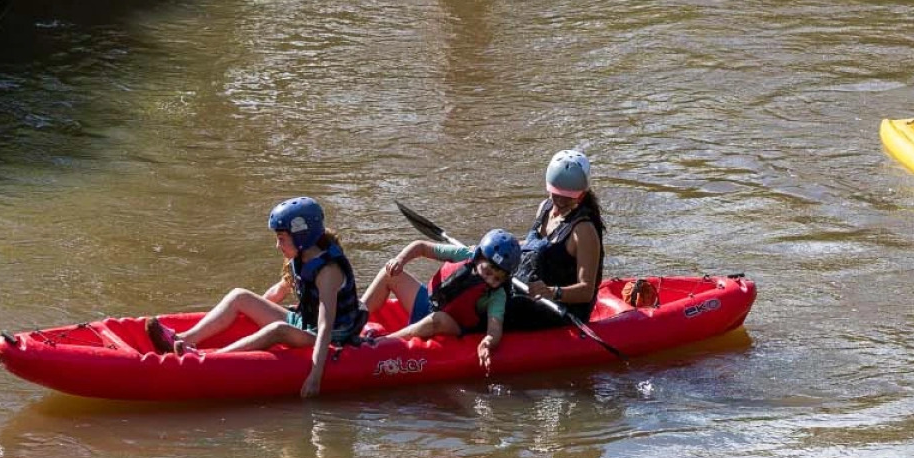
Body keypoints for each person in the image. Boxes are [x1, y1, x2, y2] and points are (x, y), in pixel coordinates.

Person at [145, 197, 366, 398]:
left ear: (302, 237)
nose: (277, 245)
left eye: (281, 239)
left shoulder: (328, 271)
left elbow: (326, 325)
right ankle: (183, 339)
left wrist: (316, 376)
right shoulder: (301, 257)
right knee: (240, 296)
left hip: (333, 336)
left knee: (277, 329)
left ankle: (209, 359)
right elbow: (279, 290)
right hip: (306, 323)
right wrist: (251, 311)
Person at [360, 228, 521, 373]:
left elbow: (494, 329)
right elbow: (421, 247)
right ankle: (354, 316)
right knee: (389, 275)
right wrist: (400, 260)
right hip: (429, 303)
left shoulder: (497, 295)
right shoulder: (464, 254)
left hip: (453, 325)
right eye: (487, 271)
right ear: (479, 258)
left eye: (498, 278)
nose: (490, 279)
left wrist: (488, 342)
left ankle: (379, 343)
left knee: (438, 319)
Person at [504, 149, 606, 331]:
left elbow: (586, 290)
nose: (560, 201)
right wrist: (497, 247)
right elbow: (534, 247)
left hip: (560, 309)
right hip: (530, 294)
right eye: (556, 194)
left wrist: (552, 292)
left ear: (581, 195)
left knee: (503, 308)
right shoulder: (545, 207)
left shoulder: (584, 231)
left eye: (568, 198)